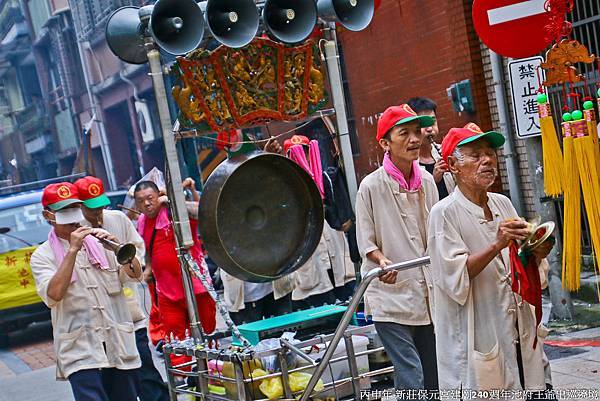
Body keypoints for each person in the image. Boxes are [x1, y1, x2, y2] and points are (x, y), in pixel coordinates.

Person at [428, 123, 554, 399]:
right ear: (453, 165)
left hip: (517, 327)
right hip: (477, 332)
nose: (487, 160)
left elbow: (523, 265)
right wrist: (496, 244)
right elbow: (454, 278)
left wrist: (537, 251)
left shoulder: (501, 203)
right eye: (475, 155)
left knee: (532, 383)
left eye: (490, 153)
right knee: (488, 384)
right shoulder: (444, 213)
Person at [30, 182, 143, 401]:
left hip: (116, 341)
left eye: (74, 208)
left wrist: (120, 248)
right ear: (48, 215)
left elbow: (134, 275)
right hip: (80, 350)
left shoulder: (99, 241)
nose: (72, 217)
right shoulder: (42, 256)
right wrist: (72, 250)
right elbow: (53, 295)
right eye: (63, 211)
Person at [355, 104, 439, 392]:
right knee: (412, 374)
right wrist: (381, 261)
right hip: (390, 295)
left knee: (434, 376)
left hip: (427, 293)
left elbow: (436, 234)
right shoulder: (370, 186)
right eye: (404, 133)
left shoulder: (428, 181)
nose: (414, 139)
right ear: (385, 143)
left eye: (417, 132)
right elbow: (365, 242)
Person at [75, 176, 170, 401]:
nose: (98, 214)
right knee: (117, 378)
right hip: (99, 321)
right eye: (92, 209)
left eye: (101, 207)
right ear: (80, 206)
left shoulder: (117, 219)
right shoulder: (76, 231)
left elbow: (137, 250)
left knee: (145, 369)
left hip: (129, 312)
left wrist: (121, 253)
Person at [133, 179, 216, 368]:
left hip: (198, 287)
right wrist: (147, 270)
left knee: (208, 337)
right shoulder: (142, 221)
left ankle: (213, 380)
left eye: (150, 198)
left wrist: (172, 200)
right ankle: (186, 386)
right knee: (176, 344)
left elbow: (203, 211)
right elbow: (148, 251)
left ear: (158, 196)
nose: (146, 204)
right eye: (140, 201)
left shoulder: (175, 211)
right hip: (167, 293)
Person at [407, 97, 455, 199]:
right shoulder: (407, 163)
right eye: (423, 124)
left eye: (432, 122)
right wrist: (433, 180)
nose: (429, 129)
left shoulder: (446, 151)